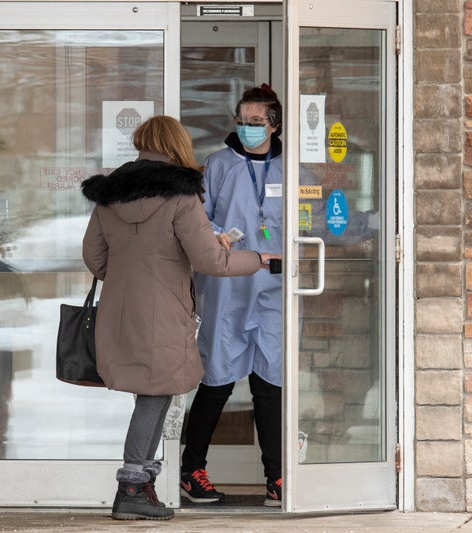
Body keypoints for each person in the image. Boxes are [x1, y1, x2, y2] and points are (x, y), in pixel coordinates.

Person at [81, 115, 278, 521]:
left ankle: (142, 487)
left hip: (119, 311)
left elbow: (95, 257)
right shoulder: (182, 195)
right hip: (165, 309)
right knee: (155, 396)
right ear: (176, 146)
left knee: (152, 394)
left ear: (141, 143)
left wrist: (127, 280)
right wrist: (258, 259)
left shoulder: (108, 195)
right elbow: (210, 260)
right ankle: (132, 487)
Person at [180, 84, 285, 507]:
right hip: (227, 285)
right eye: (241, 121)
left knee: (270, 381)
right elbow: (197, 220)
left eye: (256, 123)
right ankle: (192, 471)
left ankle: (277, 477)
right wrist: (214, 237)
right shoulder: (219, 165)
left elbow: (309, 219)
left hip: (275, 287)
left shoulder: (292, 168)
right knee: (217, 377)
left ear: (274, 124)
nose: (247, 128)